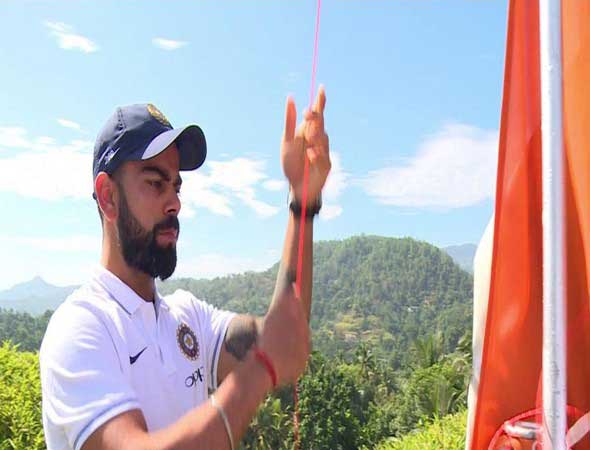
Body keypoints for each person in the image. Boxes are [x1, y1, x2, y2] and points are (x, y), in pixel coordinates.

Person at [39, 88, 331, 450]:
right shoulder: (80, 328)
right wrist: (259, 371)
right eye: (155, 183)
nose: (174, 202)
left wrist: (303, 202)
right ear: (108, 196)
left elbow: (286, 333)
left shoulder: (187, 317)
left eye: (176, 186)